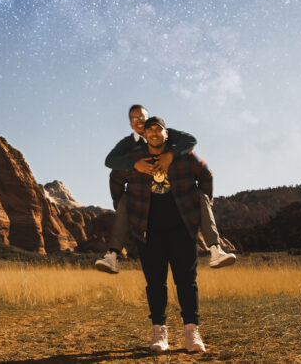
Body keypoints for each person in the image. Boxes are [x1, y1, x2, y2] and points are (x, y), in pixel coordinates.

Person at [95, 104, 235, 273]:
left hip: (176, 205)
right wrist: (133, 165)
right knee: (126, 200)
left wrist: (171, 155)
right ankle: (112, 255)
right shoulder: (129, 144)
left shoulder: (167, 135)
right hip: (145, 204)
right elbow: (111, 164)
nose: (138, 121)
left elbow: (192, 143)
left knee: (199, 195)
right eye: (134, 119)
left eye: (142, 117)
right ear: (131, 124)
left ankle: (216, 250)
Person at [117, 116, 210, 353]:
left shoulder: (183, 156)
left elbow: (206, 174)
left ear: (166, 134)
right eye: (150, 130)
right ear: (145, 135)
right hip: (148, 231)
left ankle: (192, 332)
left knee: (186, 281)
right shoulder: (135, 160)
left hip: (182, 228)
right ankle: (159, 332)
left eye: (159, 130)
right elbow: (115, 177)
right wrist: (125, 207)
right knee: (155, 283)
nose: (154, 133)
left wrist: (198, 207)